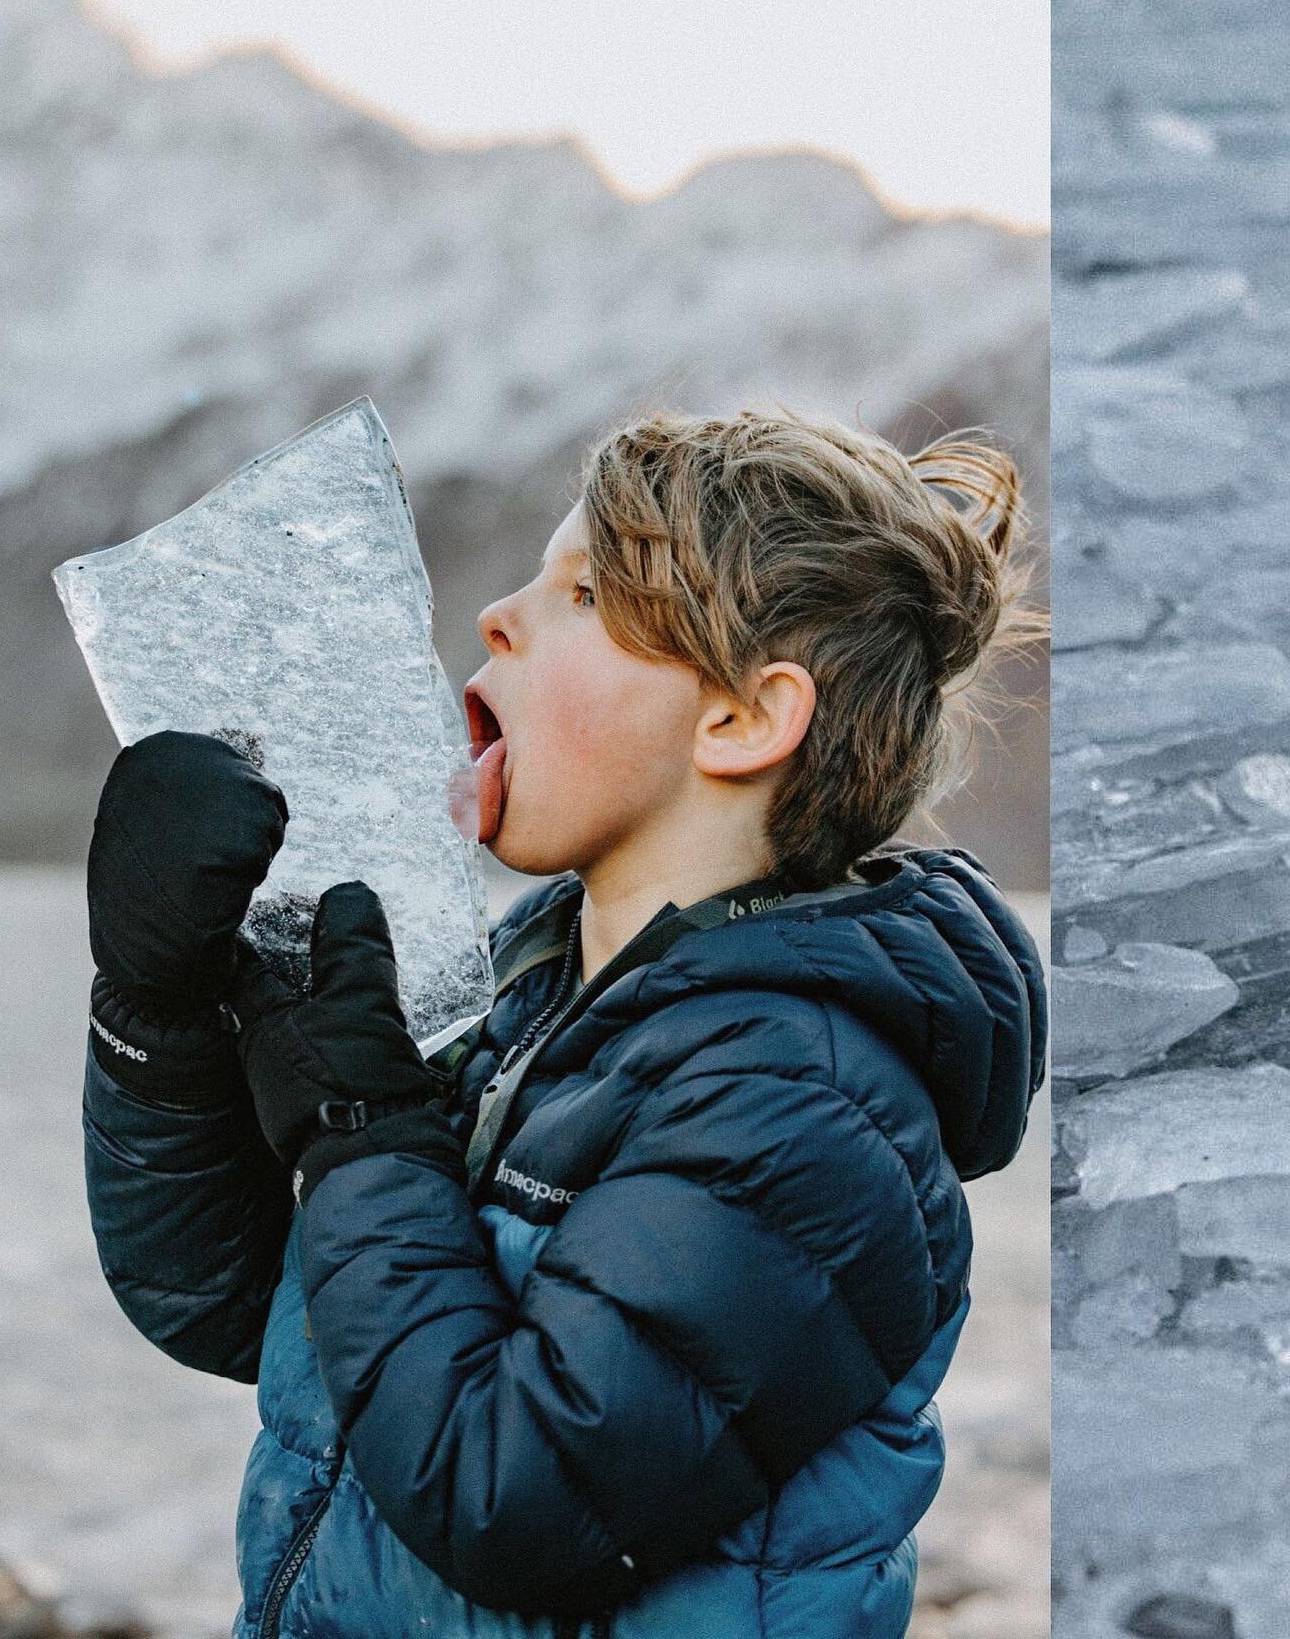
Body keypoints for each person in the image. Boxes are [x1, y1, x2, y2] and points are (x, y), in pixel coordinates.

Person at [80, 406, 1047, 1638]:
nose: (498, 617)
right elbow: (237, 1303)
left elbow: (515, 1497)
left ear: (745, 719)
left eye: (585, 592)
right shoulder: (531, 1003)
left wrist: (366, 1133)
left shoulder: (805, 1106)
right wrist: (154, 1015)